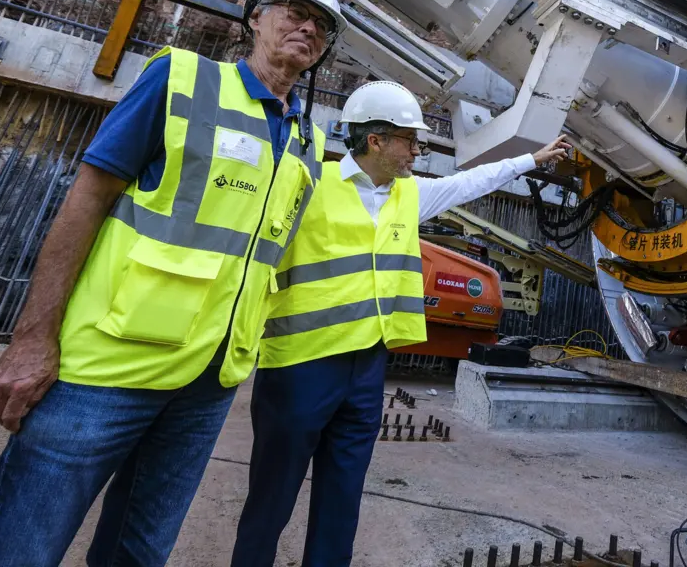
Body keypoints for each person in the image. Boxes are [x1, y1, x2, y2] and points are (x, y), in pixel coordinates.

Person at [0, 0, 347, 567]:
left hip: (209, 380)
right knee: (21, 547)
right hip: (110, 366)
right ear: (255, 16)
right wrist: (32, 340)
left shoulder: (307, 140)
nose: (309, 28)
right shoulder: (182, 80)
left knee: (141, 551)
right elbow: (88, 198)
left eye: (322, 24)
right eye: (295, 11)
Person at [230, 81, 569, 567]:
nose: (417, 151)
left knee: (342, 500)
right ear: (376, 140)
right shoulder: (308, 184)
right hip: (299, 367)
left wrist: (529, 160)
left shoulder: (410, 195)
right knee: (271, 497)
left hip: (367, 370)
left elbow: (471, 182)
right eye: (410, 140)